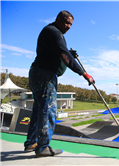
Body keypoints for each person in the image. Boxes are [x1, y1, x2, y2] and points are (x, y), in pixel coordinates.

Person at [24, 11, 95, 157]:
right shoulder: (53, 31)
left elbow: (60, 51)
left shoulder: (53, 32)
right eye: (66, 22)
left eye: (70, 24)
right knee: (48, 110)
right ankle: (43, 147)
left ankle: (31, 142)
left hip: (38, 73)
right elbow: (65, 56)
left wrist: (69, 52)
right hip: (45, 75)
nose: (68, 26)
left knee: (38, 110)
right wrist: (84, 73)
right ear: (58, 19)